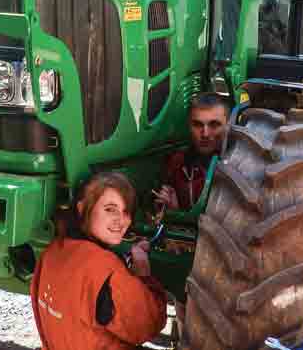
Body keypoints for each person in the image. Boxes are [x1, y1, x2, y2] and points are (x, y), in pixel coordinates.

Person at [31, 172, 167, 350]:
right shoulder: (105, 270)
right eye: (110, 209)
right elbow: (148, 325)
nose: (121, 220)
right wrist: (142, 272)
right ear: (82, 208)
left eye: (126, 211)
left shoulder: (52, 252)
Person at [154, 93, 231, 211]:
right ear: (189, 126)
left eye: (214, 125)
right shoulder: (177, 163)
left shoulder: (239, 166)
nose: (205, 134)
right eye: (197, 125)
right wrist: (171, 210)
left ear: (228, 126)